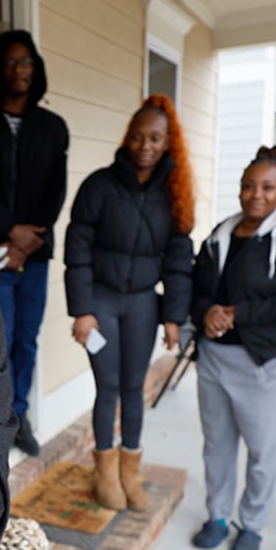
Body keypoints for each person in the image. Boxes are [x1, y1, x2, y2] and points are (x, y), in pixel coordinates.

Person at [64, 94, 195, 511]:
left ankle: (128, 472)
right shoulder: (99, 186)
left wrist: (174, 316)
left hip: (142, 303)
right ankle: (105, 471)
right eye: (138, 137)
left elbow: (178, 260)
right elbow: (77, 250)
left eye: (155, 138)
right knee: (108, 388)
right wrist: (82, 310)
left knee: (134, 387)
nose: (145, 146)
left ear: (166, 142)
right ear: (128, 137)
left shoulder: (174, 194)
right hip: (101, 301)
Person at [189, 146, 276, 550]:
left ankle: (253, 524)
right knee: (218, 444)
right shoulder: (220, 234)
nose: (256, 194)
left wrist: (236, 314)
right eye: (248, 186)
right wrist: (207, 312)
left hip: (267, 360)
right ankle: (218, 516)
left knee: (262, 449)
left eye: (267, 186)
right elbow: (197, 290)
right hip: (215, 358)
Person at [0, 29, 69, 456]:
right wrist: (12, 231)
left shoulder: (53, 128)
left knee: (26, 339)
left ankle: (18, 416)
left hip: (35, 256)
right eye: (10, 62)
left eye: (25, 62)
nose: (18, 70)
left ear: (35, 69)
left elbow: (54, 192)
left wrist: (28, 237)